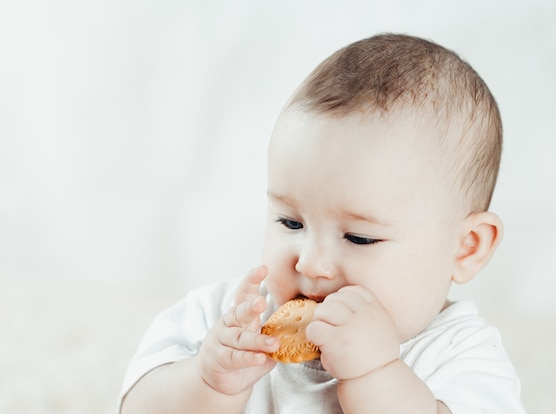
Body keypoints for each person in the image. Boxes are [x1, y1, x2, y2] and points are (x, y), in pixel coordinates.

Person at [119, 33, 525, 413]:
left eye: (359, 237)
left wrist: (377, 374)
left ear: (466, 247)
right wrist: (207, 379)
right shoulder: (226, 319)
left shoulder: (461, 355)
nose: (310, 263)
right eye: (291, 222)